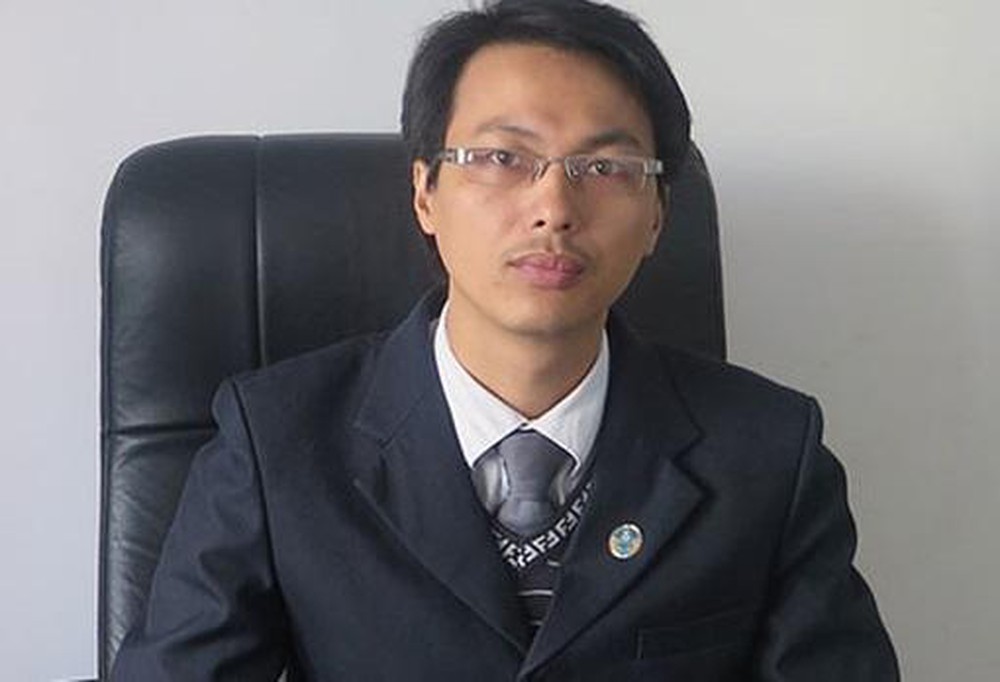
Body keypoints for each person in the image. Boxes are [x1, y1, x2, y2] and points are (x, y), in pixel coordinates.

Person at [111, 0, 899, 679]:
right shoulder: (277, 442)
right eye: (501, 158)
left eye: (606, 166)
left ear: (658, 214)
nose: (553, 207)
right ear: (425, 192)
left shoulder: (768, 453)